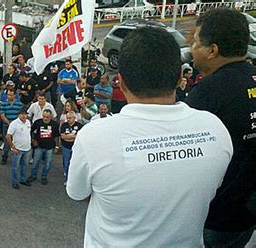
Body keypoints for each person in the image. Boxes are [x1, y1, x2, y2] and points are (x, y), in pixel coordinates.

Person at [66, 27, 233, 247]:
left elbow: (78, 193)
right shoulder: (215, 130)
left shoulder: (94, 137)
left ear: (121, 82)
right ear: (179, 78)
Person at [184, 9, 256, 247]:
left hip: (215, 218)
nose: (192, 49)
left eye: (195, 42)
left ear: (212, 50)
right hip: (247, 213)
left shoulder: (206, 94)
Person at [27, 109, 59, 185]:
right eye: (44, 116)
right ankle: (33, 175)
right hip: (39, 146)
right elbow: (30, 131)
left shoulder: (54, 124)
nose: (45, 118)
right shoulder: (38, 122)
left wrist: (57, 146)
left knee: (48, 164)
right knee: (35, 163)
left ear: (50, 117)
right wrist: (32, 140)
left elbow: (57, 136)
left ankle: (44, 176)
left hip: (50, 147)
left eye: (47, 117)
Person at [6, 108, 32, 189]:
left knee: (24, 165)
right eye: (22, 114)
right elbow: (8, 136)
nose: (24, 116)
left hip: (27, 149)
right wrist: (12, 147)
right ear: (18, 115)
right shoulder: (14, 124)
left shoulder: (28, 122)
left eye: (25, 114)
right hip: (17, 149)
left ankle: (23, 180)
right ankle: (15, 181)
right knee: (15, 167)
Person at [0, 90, 23, 165]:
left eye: (11, 95)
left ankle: (18, 157)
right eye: (8, 95)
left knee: (18, 142)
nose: (10, 96)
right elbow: (2, 116)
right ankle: (4, 157)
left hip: (17, 126)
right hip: (7, 125)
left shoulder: (19, 104)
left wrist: (15, 124)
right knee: (7, 142)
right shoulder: (4, 104)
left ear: (14, 95)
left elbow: (20, 114)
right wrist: (10, 123)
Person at [60, 111, 82, 186]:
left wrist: (68, 137)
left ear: (74, 118)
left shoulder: (79, 126)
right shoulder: (64, 125)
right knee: (66, 163)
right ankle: (67, 179)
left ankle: (75, 179)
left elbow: (79, 137)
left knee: (75, 164)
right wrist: (73, 136)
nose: (68, 119)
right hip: (66, 147)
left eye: (70, 118)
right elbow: (62, 137)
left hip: (76, 148)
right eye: (67, 118)